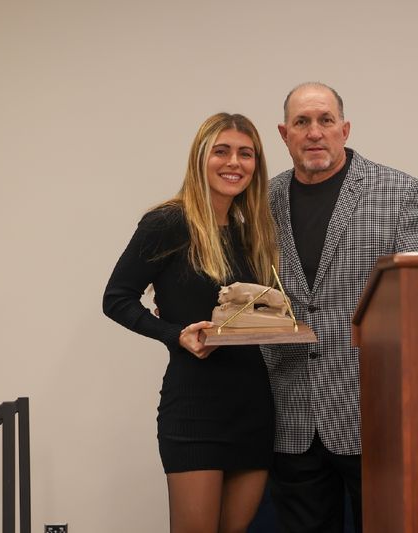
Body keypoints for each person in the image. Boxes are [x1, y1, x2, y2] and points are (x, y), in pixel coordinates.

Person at [261, 83, 418, 532]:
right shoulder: (261, 202)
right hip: (292, 411)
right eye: (302, 122)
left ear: (344, 129)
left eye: (325, 120)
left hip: (376, 411)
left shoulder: (401, 192)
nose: (314, 132)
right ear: (284, 134)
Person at [102, 112, 278, 533]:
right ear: (200, 157)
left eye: (245, 153)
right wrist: (173, 334)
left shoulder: (250, 234)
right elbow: (116, 298)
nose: (234, 162)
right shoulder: (168, 222)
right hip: (196, 408)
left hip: (254, 407)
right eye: (222, 151)